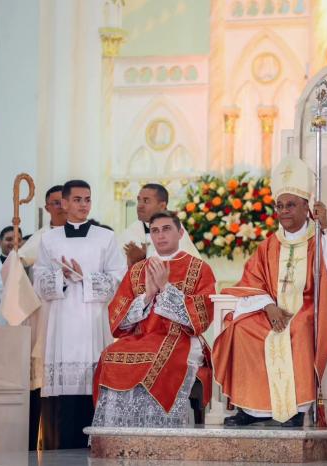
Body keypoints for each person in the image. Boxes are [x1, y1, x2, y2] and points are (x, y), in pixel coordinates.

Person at [212, 156, 327, 426]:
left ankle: (296, 410)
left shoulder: (319, 239)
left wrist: (325, 227)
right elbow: (252, 279)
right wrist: (268, 307)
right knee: (241, 329)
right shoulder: (268, 245)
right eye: (279, 206)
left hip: (308, 307)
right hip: (270, 309)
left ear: (307, 208)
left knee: (299, 327)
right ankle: (251, 408)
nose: (283, 211)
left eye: (290, 205)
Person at [92, 211, 215, 427]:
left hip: (181, 339)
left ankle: (160, 433)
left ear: (180, 232)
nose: (160, 236)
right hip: (141, 337)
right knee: (110, 355)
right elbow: (118, 318)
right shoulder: (137, 270)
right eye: (155, 231)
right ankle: (117, 435)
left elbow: (201, 316)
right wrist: (147, 296)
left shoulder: (199, 269)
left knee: (158, 357)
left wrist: (166, 288)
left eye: (167, 229)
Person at [33, 179, 126, 449]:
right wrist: (59, 276)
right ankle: (61, 449)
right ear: (63, 203)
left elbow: (118, 278)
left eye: (87, 199)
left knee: (93, 388)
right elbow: (38, 279)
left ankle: (95, 446)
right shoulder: (48, 239)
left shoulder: (105, 237)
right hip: (61, 320)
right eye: (77, 200)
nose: (83, 205)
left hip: (93, 320)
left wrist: (85, 278)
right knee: (64, 402)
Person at [15, 184, 67, 450]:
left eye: (63, 202)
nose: (61, 207)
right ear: (47, 207)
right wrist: (16, 258)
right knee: (40, 375)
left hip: (72, 317)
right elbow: (17, 268)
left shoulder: (82, 235)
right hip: (43, 315)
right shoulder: (41, 237)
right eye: (55, 203)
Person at [117, 183, 199, 266]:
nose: (139, 206)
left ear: (162, 206)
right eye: (139, 200)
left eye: (146, 201)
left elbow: (187, 266)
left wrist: (143, 260)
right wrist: (131, 261)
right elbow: (116, 270)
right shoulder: (131, 232)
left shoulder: (176, 229)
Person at [0, 226, 22, 326]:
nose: (14, 243)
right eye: (9, 239)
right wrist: (13, 289)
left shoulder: (27, 266)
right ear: (0, 243)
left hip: (18, 321)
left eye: (18, 240)